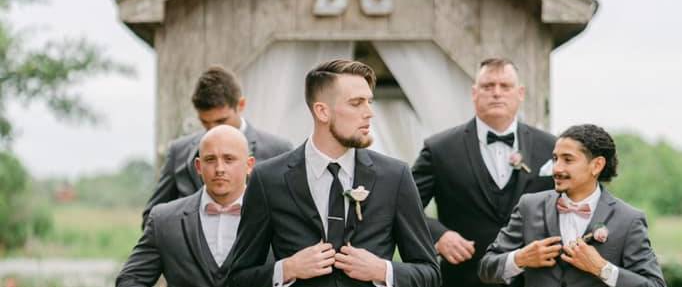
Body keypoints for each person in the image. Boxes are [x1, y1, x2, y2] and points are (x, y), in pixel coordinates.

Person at [228, 59, 441, 287]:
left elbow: (430, 274)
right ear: (322, 112)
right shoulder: (268, 179)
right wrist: (286, 269)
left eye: (369, 102)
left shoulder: (395, 176)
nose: (369, 113)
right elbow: (237, 279)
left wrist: (382, 271)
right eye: (356, 103)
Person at [412, 57, 556, 287]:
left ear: (520, 93)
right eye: (488, 86)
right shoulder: (439, 149)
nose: (496, 93)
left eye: (505, 86)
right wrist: (438, 236)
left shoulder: (551, 147)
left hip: (535, 280)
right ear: (474, 92)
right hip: (462, 279)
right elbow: (405, 206)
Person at [479, 124, 666, 287]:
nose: (557, 168)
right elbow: (486, 268)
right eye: (555, 158)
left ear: (596, 165)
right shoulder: (529, 206)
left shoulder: (628, 220)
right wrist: (520, 259)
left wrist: (602, 268)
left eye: (568, 160)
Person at [142, 65, 292, 226]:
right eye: (205, 122)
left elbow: (292, 216)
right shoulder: (179, 151)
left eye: (221, 120)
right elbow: (152, 218)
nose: (214, 130)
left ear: (240, 105)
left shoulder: (279, 151)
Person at [116, 125, 255, 287]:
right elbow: (130, 280)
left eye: (229, 159)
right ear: (198, 166)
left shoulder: (271, 216)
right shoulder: (164, 220)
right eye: (210, 160)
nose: (219, 169)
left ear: (249, 165)